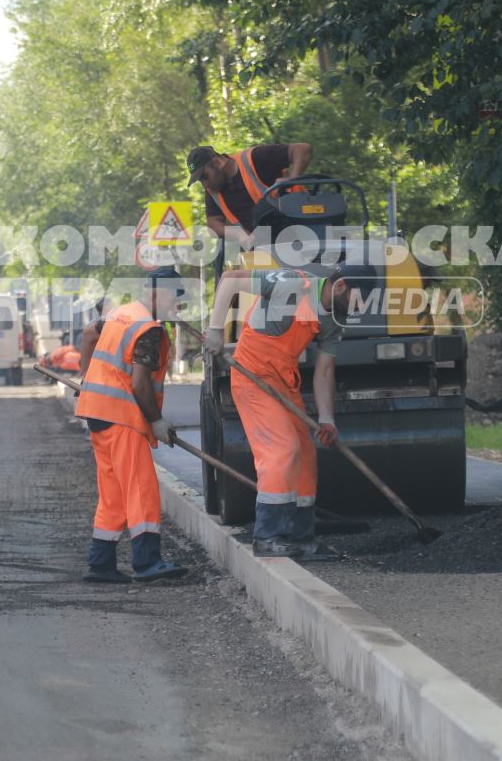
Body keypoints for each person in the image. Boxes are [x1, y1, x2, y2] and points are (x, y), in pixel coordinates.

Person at [206, 264, 350, 559]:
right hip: (252, 375)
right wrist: (216, 329)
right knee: (282, 449)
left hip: (284, 382)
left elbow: (324, 371)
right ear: (340, 286)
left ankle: (300, 537)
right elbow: (231, 279)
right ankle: (268, 536)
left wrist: (326, 419)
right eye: (358, 299)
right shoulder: (291, 283)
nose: (359, 308)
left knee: (306, 454)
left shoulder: (335, 318)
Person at [72, 278, 185, 583]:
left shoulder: (121, 313)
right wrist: (157, 421)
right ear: (156, 293)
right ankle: (147, 562)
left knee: (114, 494)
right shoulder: (147, 329)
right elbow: (139, 383)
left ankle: (101, 563)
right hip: (121, 416)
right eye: (175, 299)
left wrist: (85, 378)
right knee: (139, 488)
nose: (177, 307)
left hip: (97, 414)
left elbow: (87, 334)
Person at [187, 142, 312, 247]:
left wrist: (294, 177)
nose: (204, 185)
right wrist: (238, 233)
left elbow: (302, 149)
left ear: (217, 163)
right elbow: (213, 224)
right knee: (231, 276)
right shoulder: (213, 188)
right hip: (269, 248)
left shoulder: (255, 159)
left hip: (306, 229)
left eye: (204, 177)